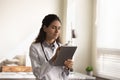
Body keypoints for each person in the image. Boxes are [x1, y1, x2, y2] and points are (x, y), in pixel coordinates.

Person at [29, 14, 73, 80]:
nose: (57, 31)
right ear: (45, 28)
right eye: (53, 27)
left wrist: (67, 68)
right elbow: (38, 74)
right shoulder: (35, 47)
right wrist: (54, 58)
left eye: (59, 28)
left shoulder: (62, 47)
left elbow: (64, 76)